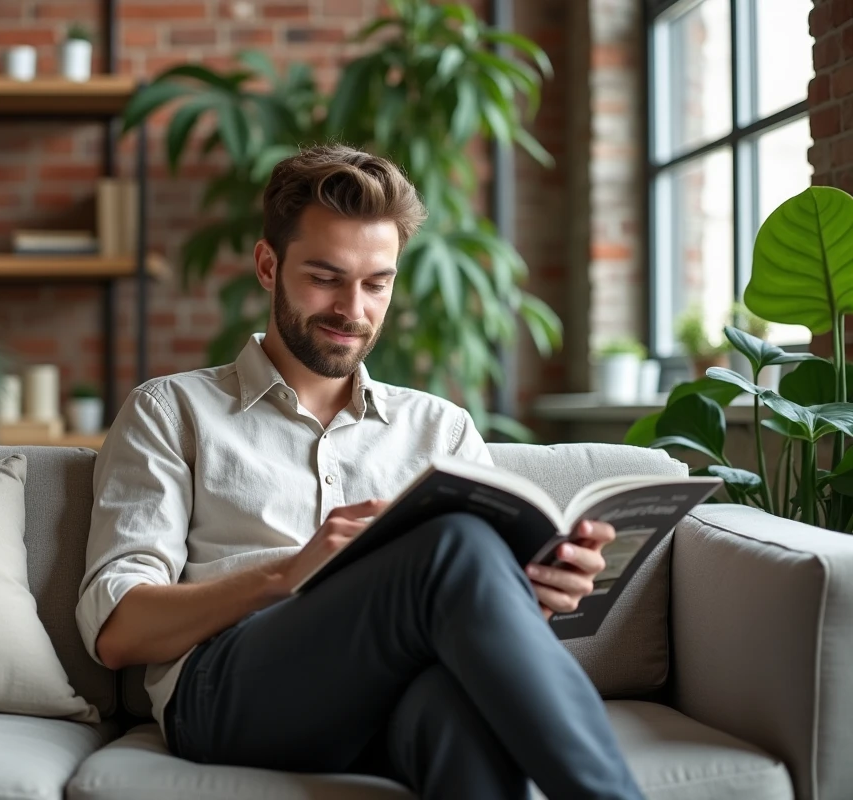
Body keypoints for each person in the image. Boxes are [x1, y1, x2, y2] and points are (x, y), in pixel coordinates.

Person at [75, 144, 644, 800]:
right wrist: (286, 575)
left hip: (392, 694)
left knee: (463, 714)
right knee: (452, 543)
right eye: (325, 277)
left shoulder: (441, 428)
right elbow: (117, 631)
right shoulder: (172, 410)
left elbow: (482, 626)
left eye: (377, 283)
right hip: (226, 693)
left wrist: (537, 592)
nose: (353, 309)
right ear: (268, 266)